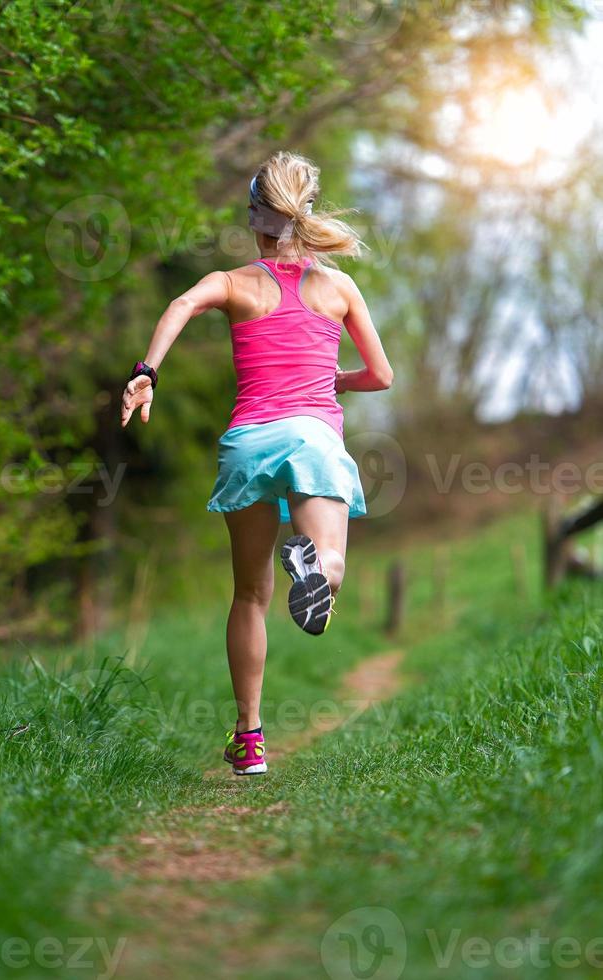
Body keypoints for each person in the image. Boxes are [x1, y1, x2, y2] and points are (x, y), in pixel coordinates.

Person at [121, 151, 393, 775]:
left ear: (255, 218)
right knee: (332, 564)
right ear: (307, 213)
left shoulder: (232, 282)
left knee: (249, 595)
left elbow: (181, 305)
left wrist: (146, 373)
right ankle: (312, 560)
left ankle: (249, 740)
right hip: (313, 437)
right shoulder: (339, 287)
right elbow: (381, 376)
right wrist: (334, 381)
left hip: (249, 443)